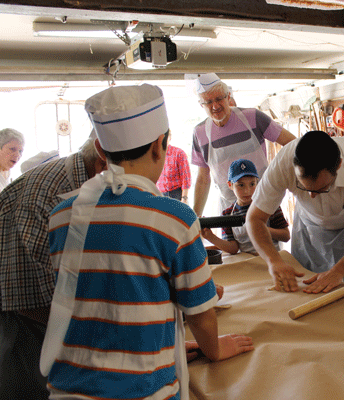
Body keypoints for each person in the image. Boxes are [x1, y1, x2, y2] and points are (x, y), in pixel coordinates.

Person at [40, 84, 253, 399]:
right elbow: (200, 312)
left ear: (100, 150)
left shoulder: (61, 215)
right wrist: (214, 349)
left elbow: (108, 295)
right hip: (142, 390)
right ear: (160, 146)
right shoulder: (175, 218)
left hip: (67, 388)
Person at [0, 133, 106, 399]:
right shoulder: (42, 199)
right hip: (24, 330)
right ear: (103, 157)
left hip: (62, 323)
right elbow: (42, 303)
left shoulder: (92, 184)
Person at [246, 130, 344, 296]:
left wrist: (339, 271)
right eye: (305, 188)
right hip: (309, 225)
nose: (312, 196)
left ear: (339, 166)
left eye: (322, 188)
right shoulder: (283, 163)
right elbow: (254, 219)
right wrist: (273, 260)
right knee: (306, 290)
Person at [191, 73, 296, 215]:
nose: (215, 106)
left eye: (219, 99)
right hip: (230, 210)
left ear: (228, 97)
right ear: (201, 105)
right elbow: (203, 179)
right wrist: (195, 218)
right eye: (208, 102)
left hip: (263, 203)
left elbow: (293, 144)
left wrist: (281, 175)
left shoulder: (253, 117)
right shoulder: (200, 133)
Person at [201, 158, 290, 255]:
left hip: (273, 257)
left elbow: (286, 236)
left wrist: (262, 228)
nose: (247, 191)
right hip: (247, 262)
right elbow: (233, 248)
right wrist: (210, 237)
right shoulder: (227, 214)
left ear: (257, 182)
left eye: (252, 184)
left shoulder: (270, 206)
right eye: (241, 185)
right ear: (230, 185)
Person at [157, 134, 192, 203]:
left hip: (176, 195)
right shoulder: (154, 154)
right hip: (159, 195)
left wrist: (184, 198)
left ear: (170, 137)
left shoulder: (178, 153)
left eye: (165, 137)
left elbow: (186, 178)